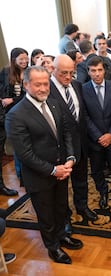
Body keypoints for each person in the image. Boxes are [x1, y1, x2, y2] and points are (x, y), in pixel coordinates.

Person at [5, 66, 82, 264]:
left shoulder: (54, 104)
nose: (42, 88)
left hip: (62, 171)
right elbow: (25, 154)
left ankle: (62, 235)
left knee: (61, 208)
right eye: (37, 84)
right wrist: (53, 170)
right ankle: (53, 247)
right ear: (26, 85)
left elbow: (66, 134)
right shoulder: (16, 115)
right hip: (40, 177)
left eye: (45, 83)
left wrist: (70, 158)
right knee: (46, 216)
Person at [49, 54, 98, 225]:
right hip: (60, 148)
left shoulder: (77, 85)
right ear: (52, 70)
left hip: (81, 144)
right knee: (61, 188)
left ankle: (82, 206)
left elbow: (81, 116)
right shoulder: (46, 90)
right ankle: (64, 217)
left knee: (81, 179)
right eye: (63, 73)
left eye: (72, 72)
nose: (68, 77)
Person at [82, 56, 111, 209]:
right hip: (94, 140)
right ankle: (102, 192)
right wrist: (98, 136)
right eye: (93, 71)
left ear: (104, 71)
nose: (97, 74)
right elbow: (85, 116)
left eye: (99, 70)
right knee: (96, 170)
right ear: (88, 72)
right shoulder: (83, 89)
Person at [0, 47, 29, 189]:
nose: (24, 61)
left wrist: (12, 100)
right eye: (21, 59)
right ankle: (20, 176)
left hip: (27, 111)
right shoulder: (6, 72)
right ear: (14, 60)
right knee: (17, 146)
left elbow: (28, 95)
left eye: (26, 58)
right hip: (11, 114)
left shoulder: (30, 72)